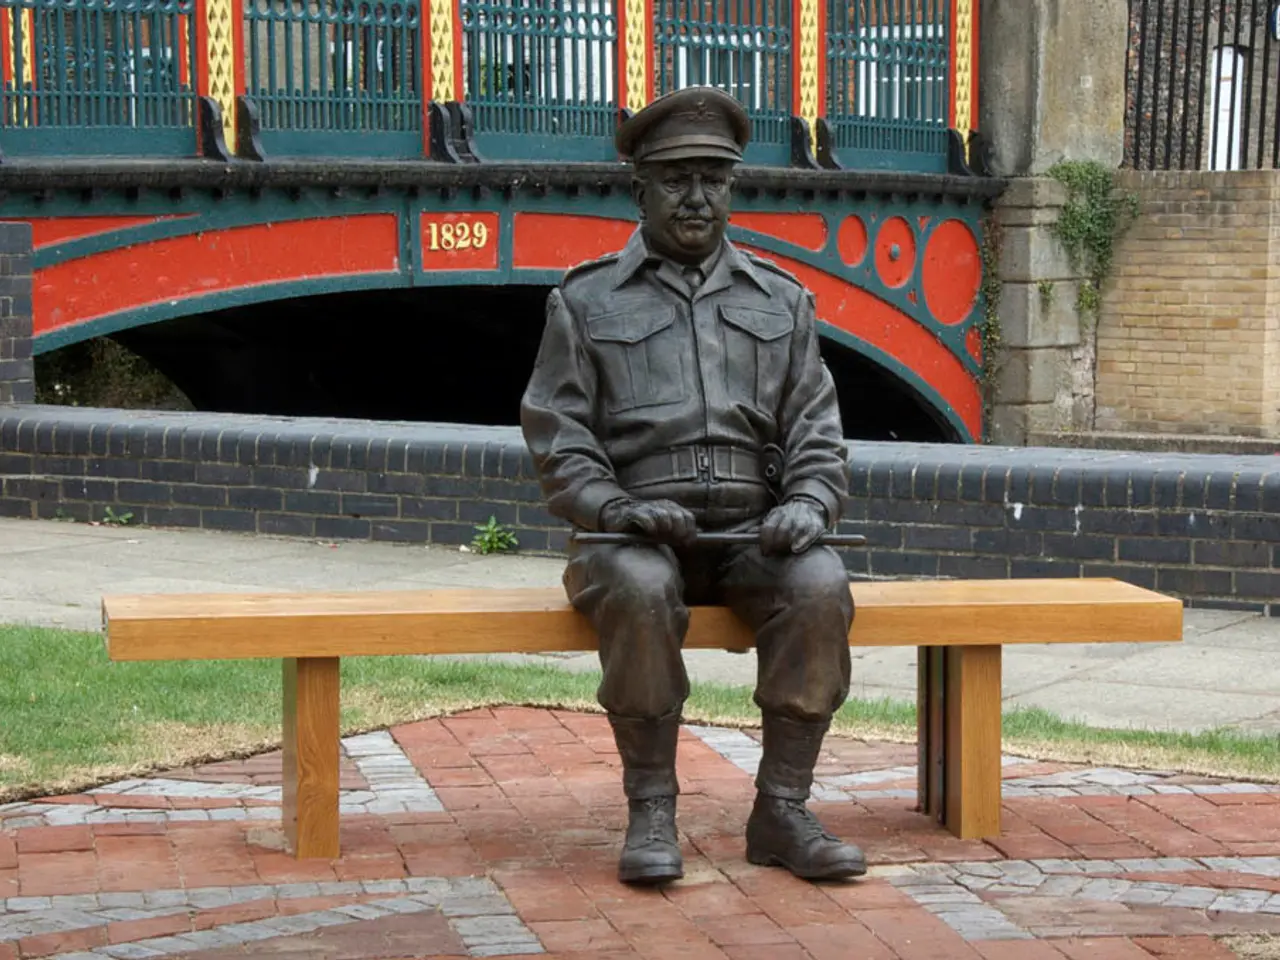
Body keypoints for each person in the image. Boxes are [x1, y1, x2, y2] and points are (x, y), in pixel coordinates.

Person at [519, 86, 865, 886]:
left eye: (715, 177)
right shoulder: (585, 299)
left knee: (820, 583)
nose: (698, 197)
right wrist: (619, 507)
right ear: (638, 188)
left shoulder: (783, 301)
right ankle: (652, 811)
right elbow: (558, 437)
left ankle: (781, 809)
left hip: (753, 534)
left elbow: (817, 431)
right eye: (677, 179)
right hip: (631, 538)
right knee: (640, 587)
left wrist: (808, 507)